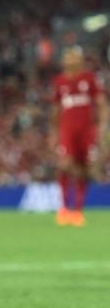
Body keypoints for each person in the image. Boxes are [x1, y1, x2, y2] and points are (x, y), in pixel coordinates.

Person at [50, 45, 106, 227]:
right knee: (65, 164)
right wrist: (52, 133)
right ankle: (64, 209)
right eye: (68, 57)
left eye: (74, 57)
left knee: (83, 168)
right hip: (67, 130)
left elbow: (101, 104)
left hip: (86, 130)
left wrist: (103, 127)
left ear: (80, 60)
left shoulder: (89, 79)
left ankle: (78, 211)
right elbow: (56, 110)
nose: (70, 60)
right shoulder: (60, 82)